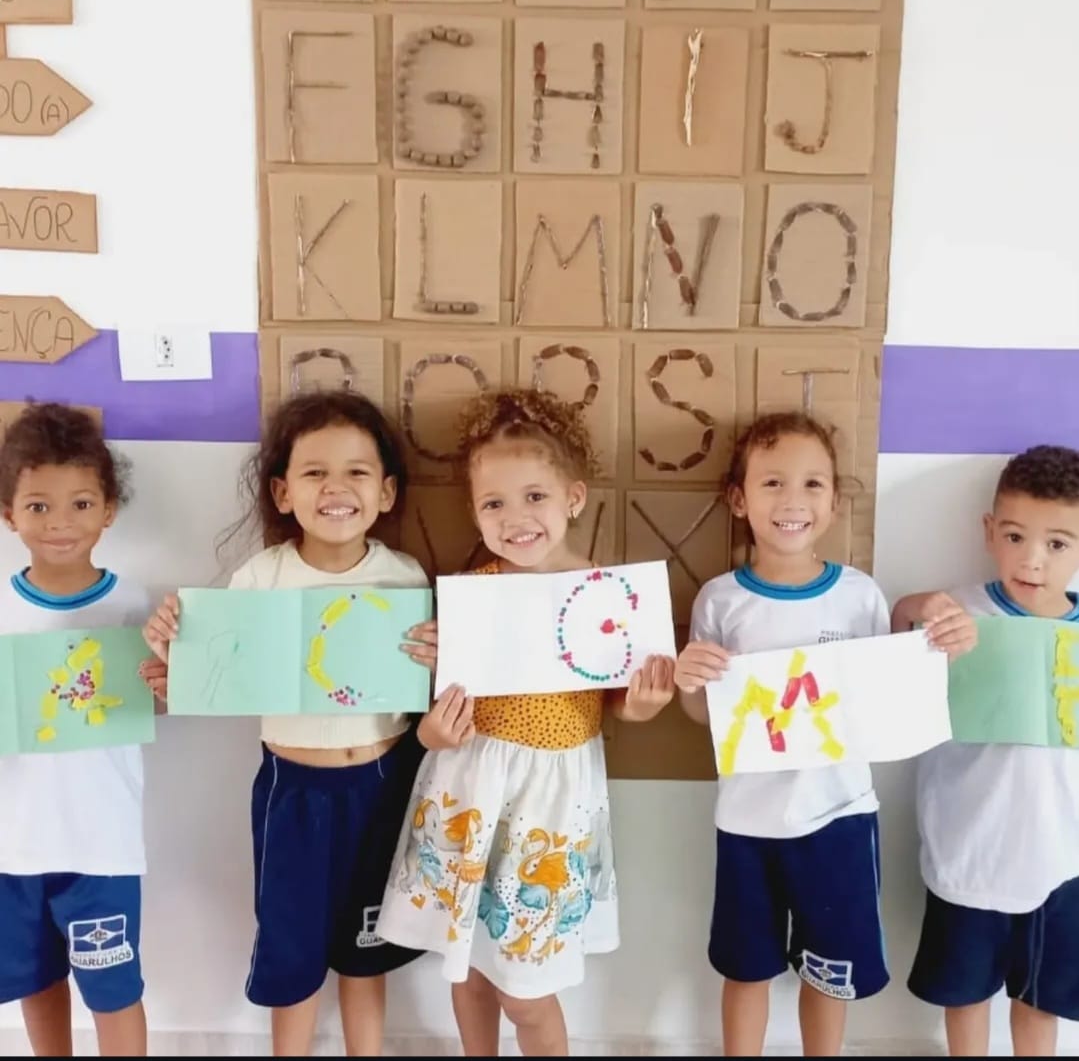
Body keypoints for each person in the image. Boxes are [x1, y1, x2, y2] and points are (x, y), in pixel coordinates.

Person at [377, 389, 676, 1057]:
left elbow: (620, 704)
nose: (515, 518)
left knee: (527, 991)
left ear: (573, 498)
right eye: (493, 504)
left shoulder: (607, 596)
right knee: (467, 969)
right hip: (470, 784)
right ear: (474, 513)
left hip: (550, 802)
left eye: (534, 496)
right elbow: (433, 713)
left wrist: (644, 702)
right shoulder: (470, 595)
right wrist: (434, 714)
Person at [140, 391, 436, 1057]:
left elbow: (427, 683)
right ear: (282, 492)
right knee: (292, 946)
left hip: (384, 785)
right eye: (314, 472)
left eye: (357, 471)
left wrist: (440, 658)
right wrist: (173, 650)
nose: (336, 488)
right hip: (293, 789)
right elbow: (212, 672)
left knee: (367, 948)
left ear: (386, 492)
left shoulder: (405, 576)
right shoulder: (260, 577)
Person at [673, 411, 975, 1057]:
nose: (793, 501)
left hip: (839, 817)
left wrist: (930, 626)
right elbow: (705, 718)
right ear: (738, 499)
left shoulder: (859, 595)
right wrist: (689, 681)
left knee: (830, 972)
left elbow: (886, 688)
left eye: (812, 484)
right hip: (747, 821)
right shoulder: (719, 600)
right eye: (772, 482)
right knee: (745, 967)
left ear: (834, 503)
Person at [894, 444, 1079, 1057]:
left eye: (1058, 543)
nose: (1032, 560)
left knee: (1041, 1000)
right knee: (966, 995)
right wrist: (920, 609)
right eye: (1015, 536)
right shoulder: (960, 612)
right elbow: (895, 632)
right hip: (968, 851)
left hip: (1060, 858)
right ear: (989, 531)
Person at [0, 403, 155, 1056]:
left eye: (81, 504)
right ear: (8, 514)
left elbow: (155, 703)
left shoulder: (135, 605)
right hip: (14, 842)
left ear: (108, 510)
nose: (60, 522)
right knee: (36, 980)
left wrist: (167, 684)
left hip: (101, 842)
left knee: (113, 990)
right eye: (38, 506)